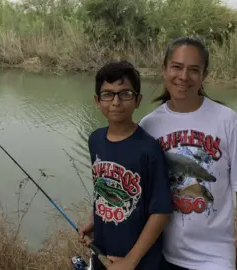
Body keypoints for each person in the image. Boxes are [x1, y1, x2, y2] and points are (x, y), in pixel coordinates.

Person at [138, 37, 237, 270]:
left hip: (214, 257)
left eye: (194, 70)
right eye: (176, 67)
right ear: (164, 69)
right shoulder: (148, 125)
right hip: (160, 251)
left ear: (204, 74)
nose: (184, 77)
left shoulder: (227, 121)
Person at [78, 60, 173, 270]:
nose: (115, 101)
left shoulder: (148, 149)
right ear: (97, 100)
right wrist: (96, 221)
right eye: (107, 94)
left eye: (125, 94)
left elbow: (162, 210)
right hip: (102, 253)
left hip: (139, 261)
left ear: (138, 100)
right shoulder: (95, 139)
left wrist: (131, 260)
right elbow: (103, 189)